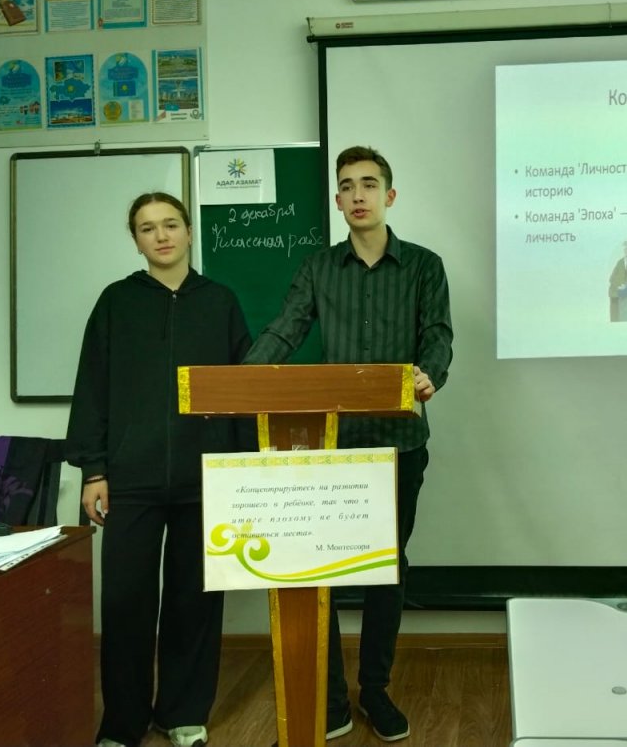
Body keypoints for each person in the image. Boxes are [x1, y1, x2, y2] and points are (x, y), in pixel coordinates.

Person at [244, 145, 453, 742]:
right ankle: (332, 700)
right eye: (347, 186)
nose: (358, 194)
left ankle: (376, 691)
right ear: (337, 201)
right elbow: (285, 330)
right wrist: (241, 380)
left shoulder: (424, 266)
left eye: (369, 184)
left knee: (387, 569)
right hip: (332, 448)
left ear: (389, 195)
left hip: (398, 444)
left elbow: (438, 335)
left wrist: (429, 375)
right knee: (325, 569)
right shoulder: (318, 268)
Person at [66, 192, 251, 747]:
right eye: (148, 228)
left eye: (171, 224)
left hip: (206, 480)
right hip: (131, 480)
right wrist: (94, 471)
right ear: (136, 241)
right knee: (126, 604)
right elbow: (92, 388)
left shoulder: (221, 302)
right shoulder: (116, 303)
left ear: (190, 232)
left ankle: (182, 714)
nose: (161, 235)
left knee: (195, 602)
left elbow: (244, 392)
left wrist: (241, 473)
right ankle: (122, 723)